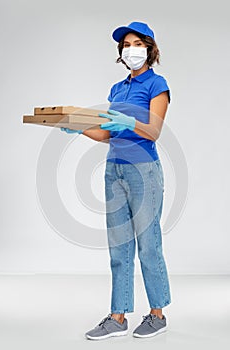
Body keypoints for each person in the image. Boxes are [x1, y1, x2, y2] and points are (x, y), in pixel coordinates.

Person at [61, 21, 171, 340]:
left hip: (144, 171)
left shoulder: (157, 84)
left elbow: (154, 131)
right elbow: (108, 135)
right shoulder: (118, 89)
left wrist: (130, 121)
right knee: (119, 246)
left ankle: (157, 314)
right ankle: (118, 316)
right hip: (115, 170)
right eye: (126, 44)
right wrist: (78, 127)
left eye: (137, 43)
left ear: (149, 48)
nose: (130, 49)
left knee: (148, 244)